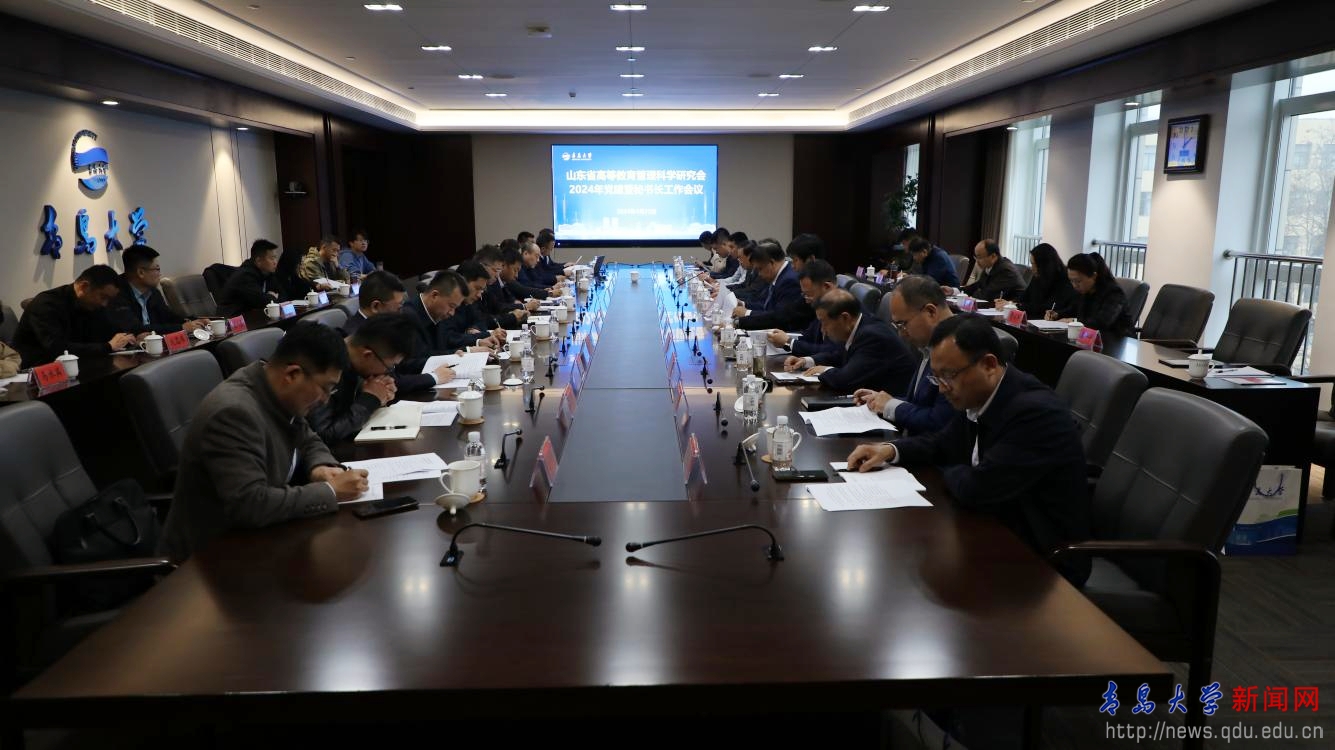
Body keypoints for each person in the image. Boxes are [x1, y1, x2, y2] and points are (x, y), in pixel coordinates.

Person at [846, 314, 1090, 584]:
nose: (942, 389)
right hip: (994, 529)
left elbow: (977, 488)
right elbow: (941, 443)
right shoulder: (981, 395)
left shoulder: (1035, 414)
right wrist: (890, 450)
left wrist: (948, 468)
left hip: (1042, 562)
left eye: (948, 376)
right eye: (936, 378)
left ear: (989, 365)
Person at [160, 322, 371, 562]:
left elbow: (308, 438)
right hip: (210, 558)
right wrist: (330, 491)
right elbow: (251, 504)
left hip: (261, 536)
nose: (325, 400)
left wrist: (320, 467)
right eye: (326, 388)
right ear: (292, 374)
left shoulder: (272, 387)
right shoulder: (234, 413)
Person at [853, 275, 958, 435]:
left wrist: (890, 406)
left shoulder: (957, 348)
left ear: (930, 312)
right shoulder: (929, 344)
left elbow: (940, 422)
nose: (901, 334)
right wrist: (881, 400)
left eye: (902, 324)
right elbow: (919, 403)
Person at [306, 313, 417, 444]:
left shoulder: (354, 359)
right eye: (390, 367)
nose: (389, 372)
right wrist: (370, 400)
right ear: (368, 355)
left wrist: (379, 395)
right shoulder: (323, 366)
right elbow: (323, 435)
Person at [783, 289, 916, 395]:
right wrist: (807, 361)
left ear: (844, 318)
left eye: (824, 322)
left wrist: (825, 370)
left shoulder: (872, 336)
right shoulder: (858, 326)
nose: (822, 329)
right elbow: (838, 354)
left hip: (891, 408)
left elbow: (844, 380)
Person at [13, 264, 145, 367]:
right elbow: (56, 348)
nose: (105, 304)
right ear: (84, 286)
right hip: (40, 371)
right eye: (103, 297)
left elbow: (109, 331)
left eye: (109, 300)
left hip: (82, 365)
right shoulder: (46, 304)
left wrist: (130, 339)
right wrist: (108, 346)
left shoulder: (93, 305)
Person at [344, 272, 452, 391]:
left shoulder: (385, 330)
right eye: (398, 307)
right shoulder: (356, 337)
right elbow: (390, 379)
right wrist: (434, 377)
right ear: (376, 306)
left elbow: (405, 364)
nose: (402, 313)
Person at [400, 270, 493, 378]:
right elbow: (410, 364)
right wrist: (453, 357)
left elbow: (440, 349)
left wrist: (463, 352)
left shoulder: (438, 312)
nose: (452, 313)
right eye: (451, 306)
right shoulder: (408, 316)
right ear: (434, 295)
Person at [106, 244, 209, 335]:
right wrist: (181, 328)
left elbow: (169, 317)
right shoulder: (116, 293)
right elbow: (135, 329)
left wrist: (194, 321)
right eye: (157, 269)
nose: (160, 274)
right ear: (141, 273)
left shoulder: (153, 291)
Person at [766, 259, 841, 359]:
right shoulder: (824, 305)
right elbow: (808, 337)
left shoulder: (842, 309)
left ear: (827, 287)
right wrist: (784, 339)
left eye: (809, 294)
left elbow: (831, 352)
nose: (807, 300)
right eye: (804, 294)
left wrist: (789, 342)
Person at [1049, 252, 1132, 337]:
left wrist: (1073, 321)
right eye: (1071, 281)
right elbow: (1073, 309)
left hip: (1116, 339)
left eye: (1078, 281)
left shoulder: (1114, 293)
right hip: (1088, 337)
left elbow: (1102, 322)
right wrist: (1057, 314)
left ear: (1093, 276)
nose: (1074, 285)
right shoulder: (1085, 291)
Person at [734, 240, 805, 330]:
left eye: (760, 269)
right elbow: (765, 305)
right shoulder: (779, 275)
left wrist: (747, 313)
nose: (759, 274)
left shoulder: (789, 280)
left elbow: (778, 317)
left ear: (771, 263)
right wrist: (744, 304)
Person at [447, 261, 505, 348]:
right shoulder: (448, 305)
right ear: (462, 282)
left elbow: (480, 321)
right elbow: (450, 338)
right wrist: (486, 335)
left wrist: (474, 329)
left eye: (482, 290)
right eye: (477, 288)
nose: (479, 295)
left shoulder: (467, 302)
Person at [217, 240, 283, 316]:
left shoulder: (268, 273)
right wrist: (272, 297)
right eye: (272, 258)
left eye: (275, 258)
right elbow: (261, 301)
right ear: (258, 261)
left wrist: (272, 298)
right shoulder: (245, 276)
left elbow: (283, 296)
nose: (275, 262)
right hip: (233, 318)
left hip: (253, 316)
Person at [1015, 243, 1077, 318]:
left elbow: (1048, 308)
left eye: (1034, 264)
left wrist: (1021, 306)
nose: (1032, 268)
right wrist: (1012, 304)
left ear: (1044, 265)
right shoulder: (1038, 276)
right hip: (1031, 319)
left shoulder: (1065, 280)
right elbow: (1023, 298)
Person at [955, 239, 1025, 303]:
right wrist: (955, 291)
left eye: (979, 257)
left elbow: (987, 296)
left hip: (1014, 309)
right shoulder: (989, 266)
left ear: (993, 256)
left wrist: (967, 297)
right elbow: (978, 285)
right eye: (976, 257)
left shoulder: (1005, 270)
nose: (977, 261)